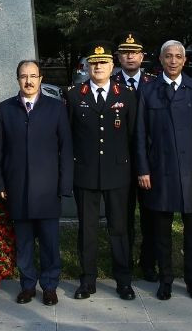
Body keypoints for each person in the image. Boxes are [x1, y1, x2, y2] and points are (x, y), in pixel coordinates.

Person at [135, 40, 192, 301]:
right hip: (161, 170)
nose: (173, 61)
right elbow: (140, 134)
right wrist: (143, 169)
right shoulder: (148, 90)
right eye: (168, 56)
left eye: (178, 56)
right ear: (160, 60)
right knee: (161, 232)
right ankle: (165, 279)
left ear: (185, 61)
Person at [0, 60, 72, 305]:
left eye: (33, 76)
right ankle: (27, 285)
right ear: (17, 79)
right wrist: (0, 184)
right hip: (18, 188)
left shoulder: (56, 108)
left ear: (41, 78)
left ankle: (49, 286)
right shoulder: (6, 109)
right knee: (24, 243)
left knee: (49, 242)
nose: (28, 81)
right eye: (23, 76)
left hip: (47, 189)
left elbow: (66, 148)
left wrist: (64, 185)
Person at [64, 44, 137, 300]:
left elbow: (132, 135)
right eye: (94, 63)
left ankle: (124, 280)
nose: (98, 67)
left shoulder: (125, 95)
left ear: (112, 66)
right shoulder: (75, 95)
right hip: (85, 173)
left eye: (103, 63)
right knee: (88, 229)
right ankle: (87, 280)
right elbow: (69, 136)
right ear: (87, 67)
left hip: (117, 173)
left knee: (119, 228)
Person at [113, 34, 154, 280]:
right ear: (118, 57)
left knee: (150, 214)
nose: (129, 56)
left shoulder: (153, 83)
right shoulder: (111, 82)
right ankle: (124, 261)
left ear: (141, 56)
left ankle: (148, 262)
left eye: (134, 52)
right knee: (123, 215)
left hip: (149, 159)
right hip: (121, 160)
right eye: (125, 52)